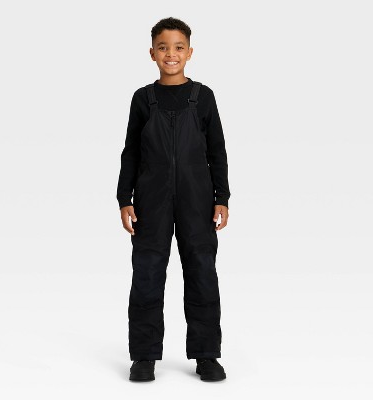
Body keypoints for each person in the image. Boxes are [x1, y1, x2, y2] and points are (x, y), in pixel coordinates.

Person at [117, 17, 230, 382]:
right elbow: (131, 152)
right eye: (163, 47)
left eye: (178, 47)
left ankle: (207, 355)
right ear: (152, 53)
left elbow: (217, 151)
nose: (171, 54)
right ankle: (144, 356)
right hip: (150, 201)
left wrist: (222, 197)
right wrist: (124, 198)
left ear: (190, 52)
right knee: (147, 275)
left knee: (202, 273)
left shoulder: (203, 97)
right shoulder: (143, 99)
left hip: (197, 200)